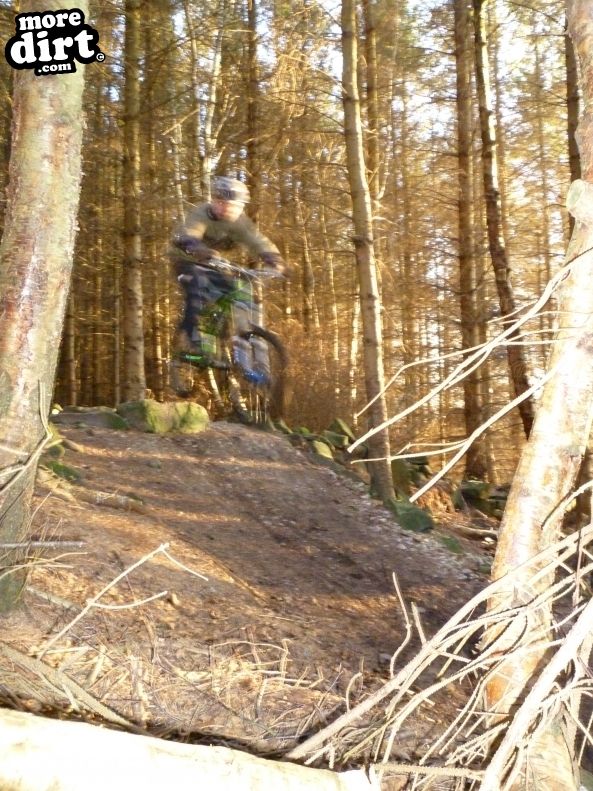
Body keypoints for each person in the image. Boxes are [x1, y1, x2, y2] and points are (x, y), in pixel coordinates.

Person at [169, 176, 284, 357]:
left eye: (230, 205)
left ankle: (220, 331)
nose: (224, 208)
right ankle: (191, 336)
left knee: (232, 289)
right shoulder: (201, 214)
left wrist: (274, 259)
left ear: (239, 207)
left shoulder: (240, 222)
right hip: (185, 260)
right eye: (220, 203)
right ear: (213, 201)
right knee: (197, 287)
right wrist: (197, 247)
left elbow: (256, 240)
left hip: (212, 263)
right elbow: (188, 234)